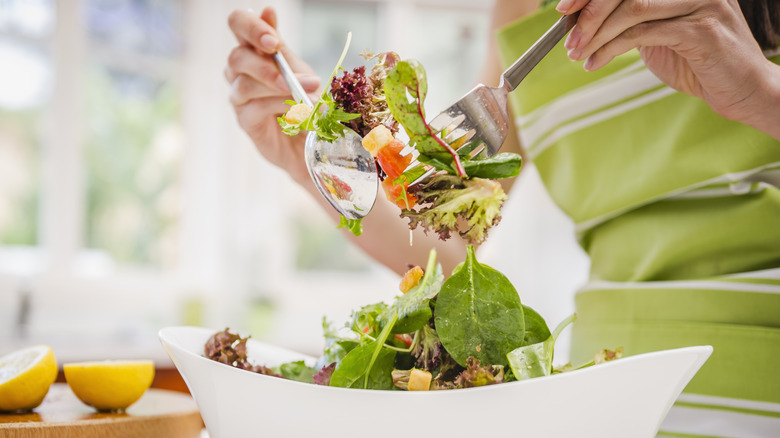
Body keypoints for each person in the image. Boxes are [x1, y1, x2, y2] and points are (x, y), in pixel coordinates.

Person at [225, 1, 780, 436]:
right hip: (609, 397)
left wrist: (761, 92)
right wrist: (314, 165)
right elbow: (448, 244)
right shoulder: (521, 7)